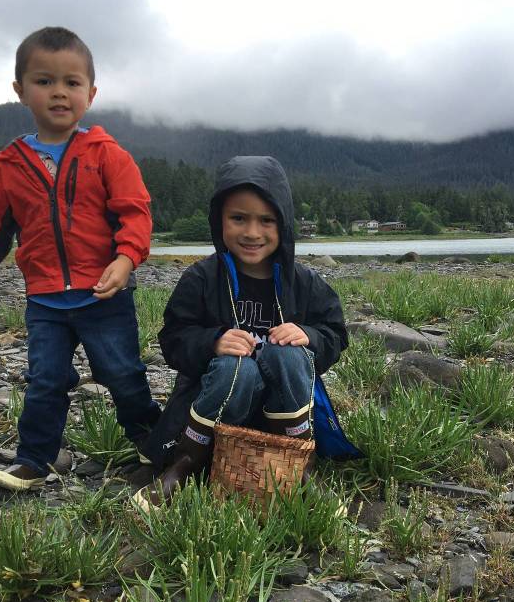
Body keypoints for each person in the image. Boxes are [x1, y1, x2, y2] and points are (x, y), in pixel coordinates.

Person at [0, 26, 159, 491]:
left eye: (71, 83)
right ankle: (34, 461)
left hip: (105, 296)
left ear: (90, 93)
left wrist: (126, 260)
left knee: (122, 373)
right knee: (44, 380)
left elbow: (135, 214)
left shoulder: (108, 155)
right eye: (44, 81)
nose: (59, 92)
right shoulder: (9, 164)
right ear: (20, 90)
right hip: (45, 301)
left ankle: (154, 446)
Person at [135, 156, 358, 509]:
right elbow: (174, 339)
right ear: (218, 220)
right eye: (238, 218)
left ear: (283, 225)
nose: (252, 233)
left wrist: (309, 337)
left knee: (289, 354)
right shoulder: (200, 279)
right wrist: (212, 341)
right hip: (216, 406)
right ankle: (186, 463)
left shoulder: (305, 283)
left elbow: (335, 334)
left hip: (280, 412)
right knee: (237, 365)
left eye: (266, 220)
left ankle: (299, 466)